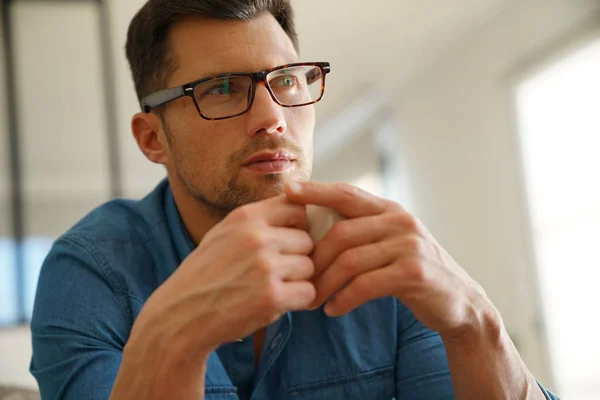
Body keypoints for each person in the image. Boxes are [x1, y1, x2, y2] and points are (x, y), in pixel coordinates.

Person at [29, 1, 560, 399]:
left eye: (286, 79)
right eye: (220, 88)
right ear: (153, 138)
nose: (272, 117)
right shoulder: (93, 270)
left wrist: (476, 323)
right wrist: (172, 337)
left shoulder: (382, 252)